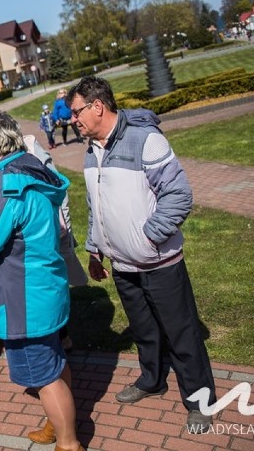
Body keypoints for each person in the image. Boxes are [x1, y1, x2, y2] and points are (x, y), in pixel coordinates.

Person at [65, 75, 216, 432]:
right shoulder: (91, 151)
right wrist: (95, 249)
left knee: (182, 334)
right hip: (122, 264)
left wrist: (149, 237)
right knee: (145, 331)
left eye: (76, 111)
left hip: (159, 262)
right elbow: (96, 203)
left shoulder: (146, 139)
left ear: (97, 106)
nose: (72, 119)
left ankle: (199, 400)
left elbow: (178, 195)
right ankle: (152, 379)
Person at [0, 109, 83, 451]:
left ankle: (68, 443)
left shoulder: (3, 185)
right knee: (53, 362)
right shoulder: (29, 168)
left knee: (43, 374)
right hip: (41, 287)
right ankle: (56, 425)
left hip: (21, 298)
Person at [23, 133, 89, 351]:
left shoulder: (31, 150)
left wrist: (65, 231)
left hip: (46, 230)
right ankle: (55, 335)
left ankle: (61, 335)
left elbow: (59, 191)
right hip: (30, 235)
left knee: (51, 282)